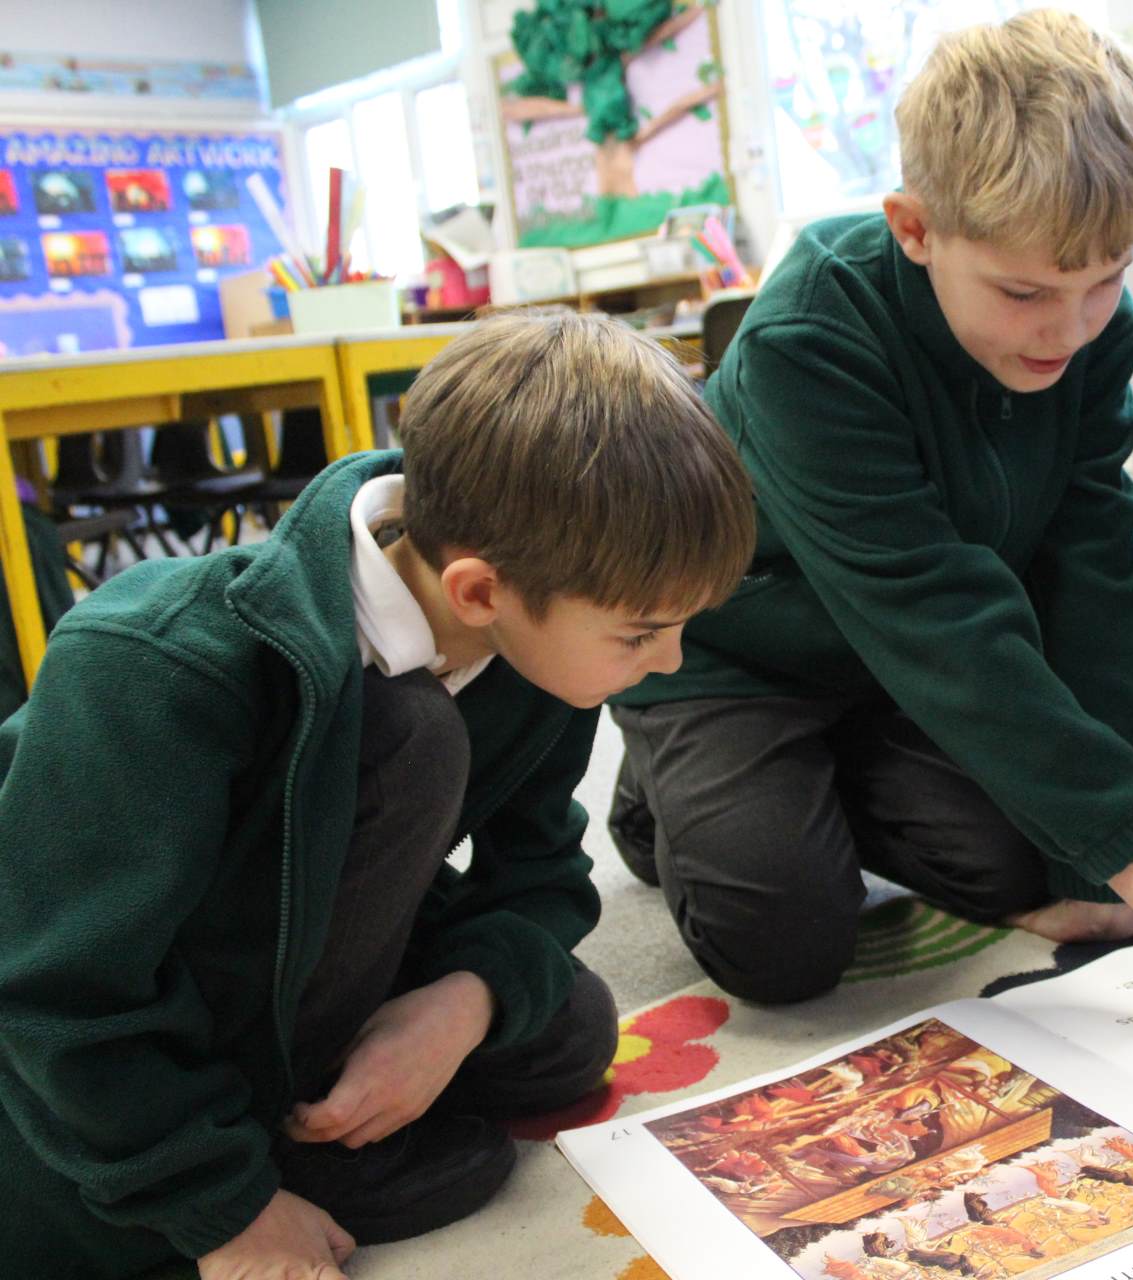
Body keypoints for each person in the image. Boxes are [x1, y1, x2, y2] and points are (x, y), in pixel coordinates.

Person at [603, 10, 1133, 1047]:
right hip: (745, 659)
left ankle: (821, 790)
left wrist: (1120, 858)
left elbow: (1096, 577)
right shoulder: (809, 339)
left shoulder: (1090, 334)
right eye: (1024, 291)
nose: (1071, 327)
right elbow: (940, 619)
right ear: (915, 229)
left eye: (1107, 278)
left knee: (1050, 862)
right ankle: (656, 793)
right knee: (781, 938)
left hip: (898, 675)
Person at [0, 311, 756, 1280]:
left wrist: (462, 1004)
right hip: (114, 1023)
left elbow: (543, 868)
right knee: (414, 738)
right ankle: (279, 1136)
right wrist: (223, 1206)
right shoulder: (156, 662)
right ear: (479, 591)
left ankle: (328, 1097)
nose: (672, 660)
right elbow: (54, 993)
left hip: (304, 960)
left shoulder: (535, 628)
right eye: (641, 633)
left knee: (570, 1026)